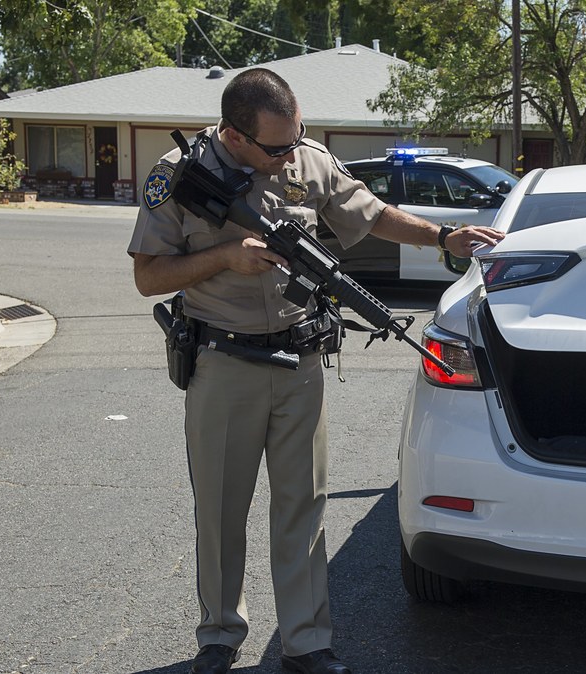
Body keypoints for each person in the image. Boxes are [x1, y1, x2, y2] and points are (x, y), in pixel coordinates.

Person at [128, 68, 504, 674]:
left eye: (296, 138)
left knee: (304, 505)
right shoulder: (178, 172)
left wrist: (443, 237)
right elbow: (149, 276)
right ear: (234, 134)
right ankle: (219, 635)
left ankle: (305, 642)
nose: (289, 155)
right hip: (224, 362)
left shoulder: (307, 159)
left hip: (301, 361)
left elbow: (372, 212)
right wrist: (226, 257)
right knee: (222, 510)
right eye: (276, 146)